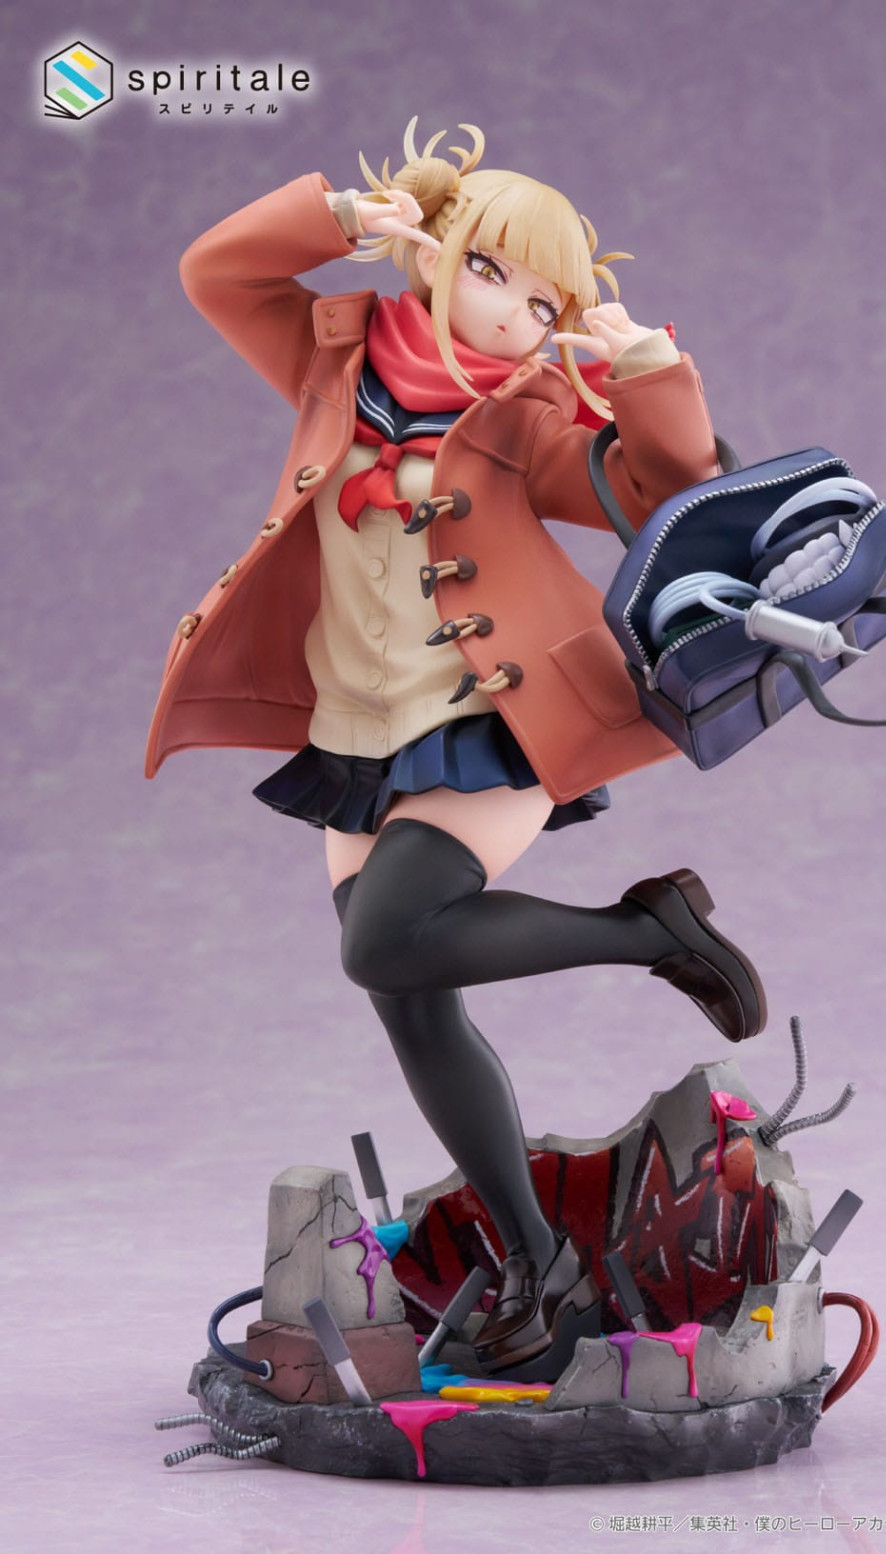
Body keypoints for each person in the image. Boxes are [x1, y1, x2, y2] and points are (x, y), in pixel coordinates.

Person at [146, 119, 767, 1380]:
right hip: (354, 729)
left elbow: (670, 494)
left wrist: (648, 370)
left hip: (488, 725)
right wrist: (334, 219)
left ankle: (648, 932)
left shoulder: (529, 419)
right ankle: (539, 1269)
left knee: (383, 941)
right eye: (489, 271)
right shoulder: (332, 357)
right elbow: (216, 272)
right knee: (411, 1002)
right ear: (435, 256)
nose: (508, 315)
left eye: (543, 304)